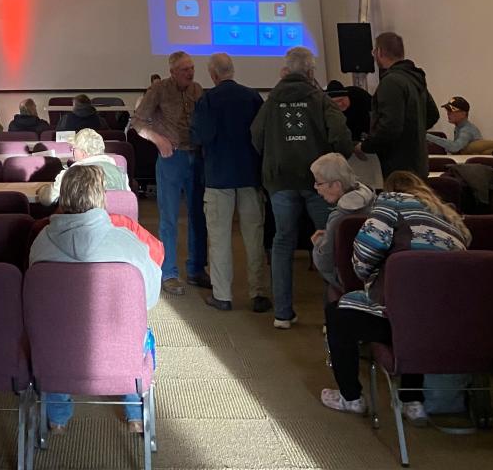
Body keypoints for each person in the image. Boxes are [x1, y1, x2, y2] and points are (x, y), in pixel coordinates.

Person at [320, 171, 471, 421]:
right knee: (415, 317)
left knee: (338, 315)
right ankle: (411, 400)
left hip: (402, 312)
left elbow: (365, 252)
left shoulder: (391, 202)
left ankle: (351, 397)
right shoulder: (449, 216)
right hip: (448, 318)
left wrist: (369, 277)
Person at [29, 165, 161, 434]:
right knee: (138, 334)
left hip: (56, 350)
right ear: (101, 197)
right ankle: (135, 415)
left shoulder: (40, 242)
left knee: (50, 335)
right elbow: (149, 299)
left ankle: (57, 418)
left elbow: (35, 307)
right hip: (118, 347)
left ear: (62, 197)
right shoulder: (127, 241)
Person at [251, 47, 352, 329]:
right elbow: (341, 136)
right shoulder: (320, 99)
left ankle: (282, 314)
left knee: (282, 241)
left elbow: (256, 135)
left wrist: (273, 157)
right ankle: (329, 317)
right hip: (318, 181)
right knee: (326, 240)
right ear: (310, 72)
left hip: (280, 180)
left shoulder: (271, 102)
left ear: (286, 70)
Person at [190, 53, 270, 313]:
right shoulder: (253, 97)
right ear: (232, 71)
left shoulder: (208, 100)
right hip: (250, 175)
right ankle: (258, 293)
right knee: (254, 236)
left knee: (219, 237)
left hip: (218, 176)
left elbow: (201, 136)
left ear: (213, 75)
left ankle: (222, 296)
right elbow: (261, 134)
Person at [132, 51, 209, 295]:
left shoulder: (197, 90)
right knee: (169, 218)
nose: (190, 72)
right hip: (170, 158)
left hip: (196, 157)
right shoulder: (159, 90)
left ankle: (196, 269)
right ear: (173, 71)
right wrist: (157, 139)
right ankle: (169, 272)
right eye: (185, 69)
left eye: (192, 68)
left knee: (199, 216)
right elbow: (138, 122)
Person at [355, 32, 439, 180]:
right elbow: (432, 115)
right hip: (418, 162)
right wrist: (413, 132)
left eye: (374, 51)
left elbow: (390, 126)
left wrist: (365, 146)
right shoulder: (414, 79)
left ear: (379, 52)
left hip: (398, 167)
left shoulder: (391, 82)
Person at [308, 153, 376, 291]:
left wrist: (318, 245)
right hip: (374, 279)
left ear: (336, 185)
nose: (316, 187)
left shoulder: (338, 218)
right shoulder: (372, 202)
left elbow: (325, 263)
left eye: (319, 183)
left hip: (347, 282)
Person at [37, 128, 131, 206]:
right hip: (118, 225)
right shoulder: (120, 173)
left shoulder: (71, 174)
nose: (72, 153)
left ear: (83, 152)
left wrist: (42, 190)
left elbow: (47, 200)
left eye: (73, 149)